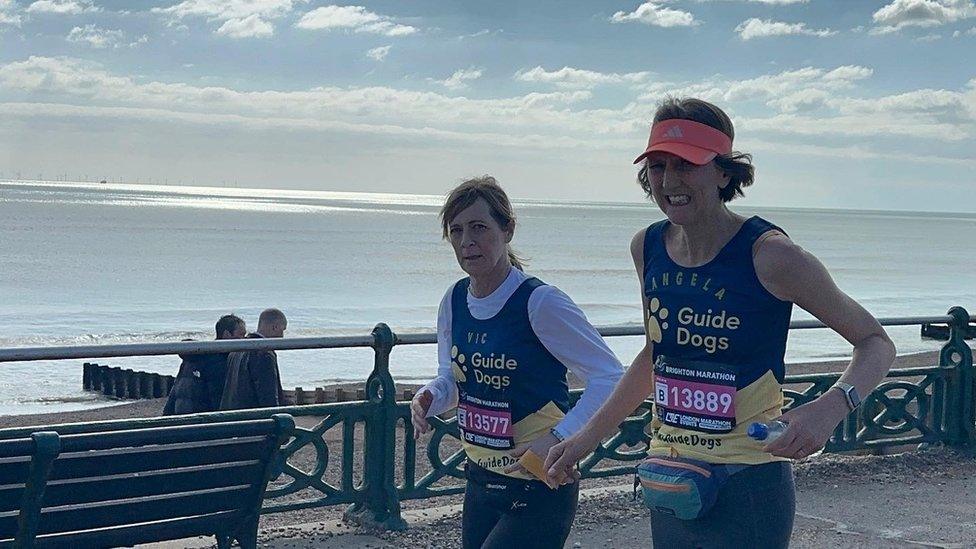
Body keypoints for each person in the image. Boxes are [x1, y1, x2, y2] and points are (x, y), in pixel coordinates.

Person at [544, 97, 896, 548]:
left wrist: (830, 408)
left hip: (747, 484)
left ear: (724, 172)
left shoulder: (771, 256)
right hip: (669, 478)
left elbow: (875, 341)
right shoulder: (647, 247)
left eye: (687, 165)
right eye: (658, 166)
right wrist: (587, 436)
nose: (669, 181)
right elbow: (657, 354)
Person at [410, 177, 624, 549]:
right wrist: (430, 396)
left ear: (507, 229)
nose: (466, 241)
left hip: (541, 481)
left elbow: (609, 377)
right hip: (480, 479)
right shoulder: (454, 299)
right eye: (456, 231)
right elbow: (453, 377)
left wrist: (559, 438)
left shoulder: (540, 302)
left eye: (479, 227)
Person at [163, 314, 245, 415]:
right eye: (241, 335)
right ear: (227, 334)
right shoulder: (218, 360)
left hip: (182, 413)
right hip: (201, 418)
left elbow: (175, 391)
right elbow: (217, 397)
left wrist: (167, 416)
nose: (244, 339)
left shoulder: (194, 356)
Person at [220, 308, 288, 410]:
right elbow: (268, 395)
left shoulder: (236, 350)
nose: (282, 336)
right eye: (282, 330)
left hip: (233, 416)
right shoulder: (264, 353)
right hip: (254, 418)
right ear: (275, 327)